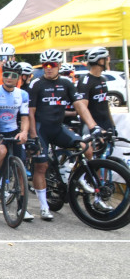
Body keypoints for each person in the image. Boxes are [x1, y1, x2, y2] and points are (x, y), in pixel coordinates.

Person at [28, 49, 103, 220]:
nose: (48, 68)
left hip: (57, 127)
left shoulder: (67, 83)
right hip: (41, 130)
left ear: (59, 66)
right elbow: (30, 113)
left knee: (86, 147)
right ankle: (44, 205)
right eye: (45, 65)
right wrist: (34, 136)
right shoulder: (36, 84)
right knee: (41, 166)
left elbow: (80, 106)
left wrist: (93, 126)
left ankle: (79, 177)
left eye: (52, 65)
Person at [0, 60, 31, 220]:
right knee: (1, 151)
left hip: (13, 129)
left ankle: (22, 206)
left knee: (20, 168)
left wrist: (24, 132)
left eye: (13, 75)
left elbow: (24, 117)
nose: (9, 78)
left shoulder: (22, 94)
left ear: (18, 78)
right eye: (6, 74)